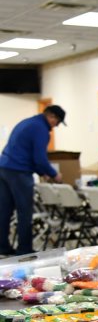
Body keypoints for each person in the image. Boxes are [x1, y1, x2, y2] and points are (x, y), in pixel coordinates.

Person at [0, 105, 66, 255]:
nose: (55, 126)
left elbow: (25, 152)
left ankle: (2, 246)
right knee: (25, 212)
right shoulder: (41, 129)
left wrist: (41, 171)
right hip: (19, 172)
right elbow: (39, 157)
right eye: (57, 122)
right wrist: (54, 174)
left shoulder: (27, 122)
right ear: (52, 117)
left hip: (3, 168)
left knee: (4, 211)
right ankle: (24, 249)